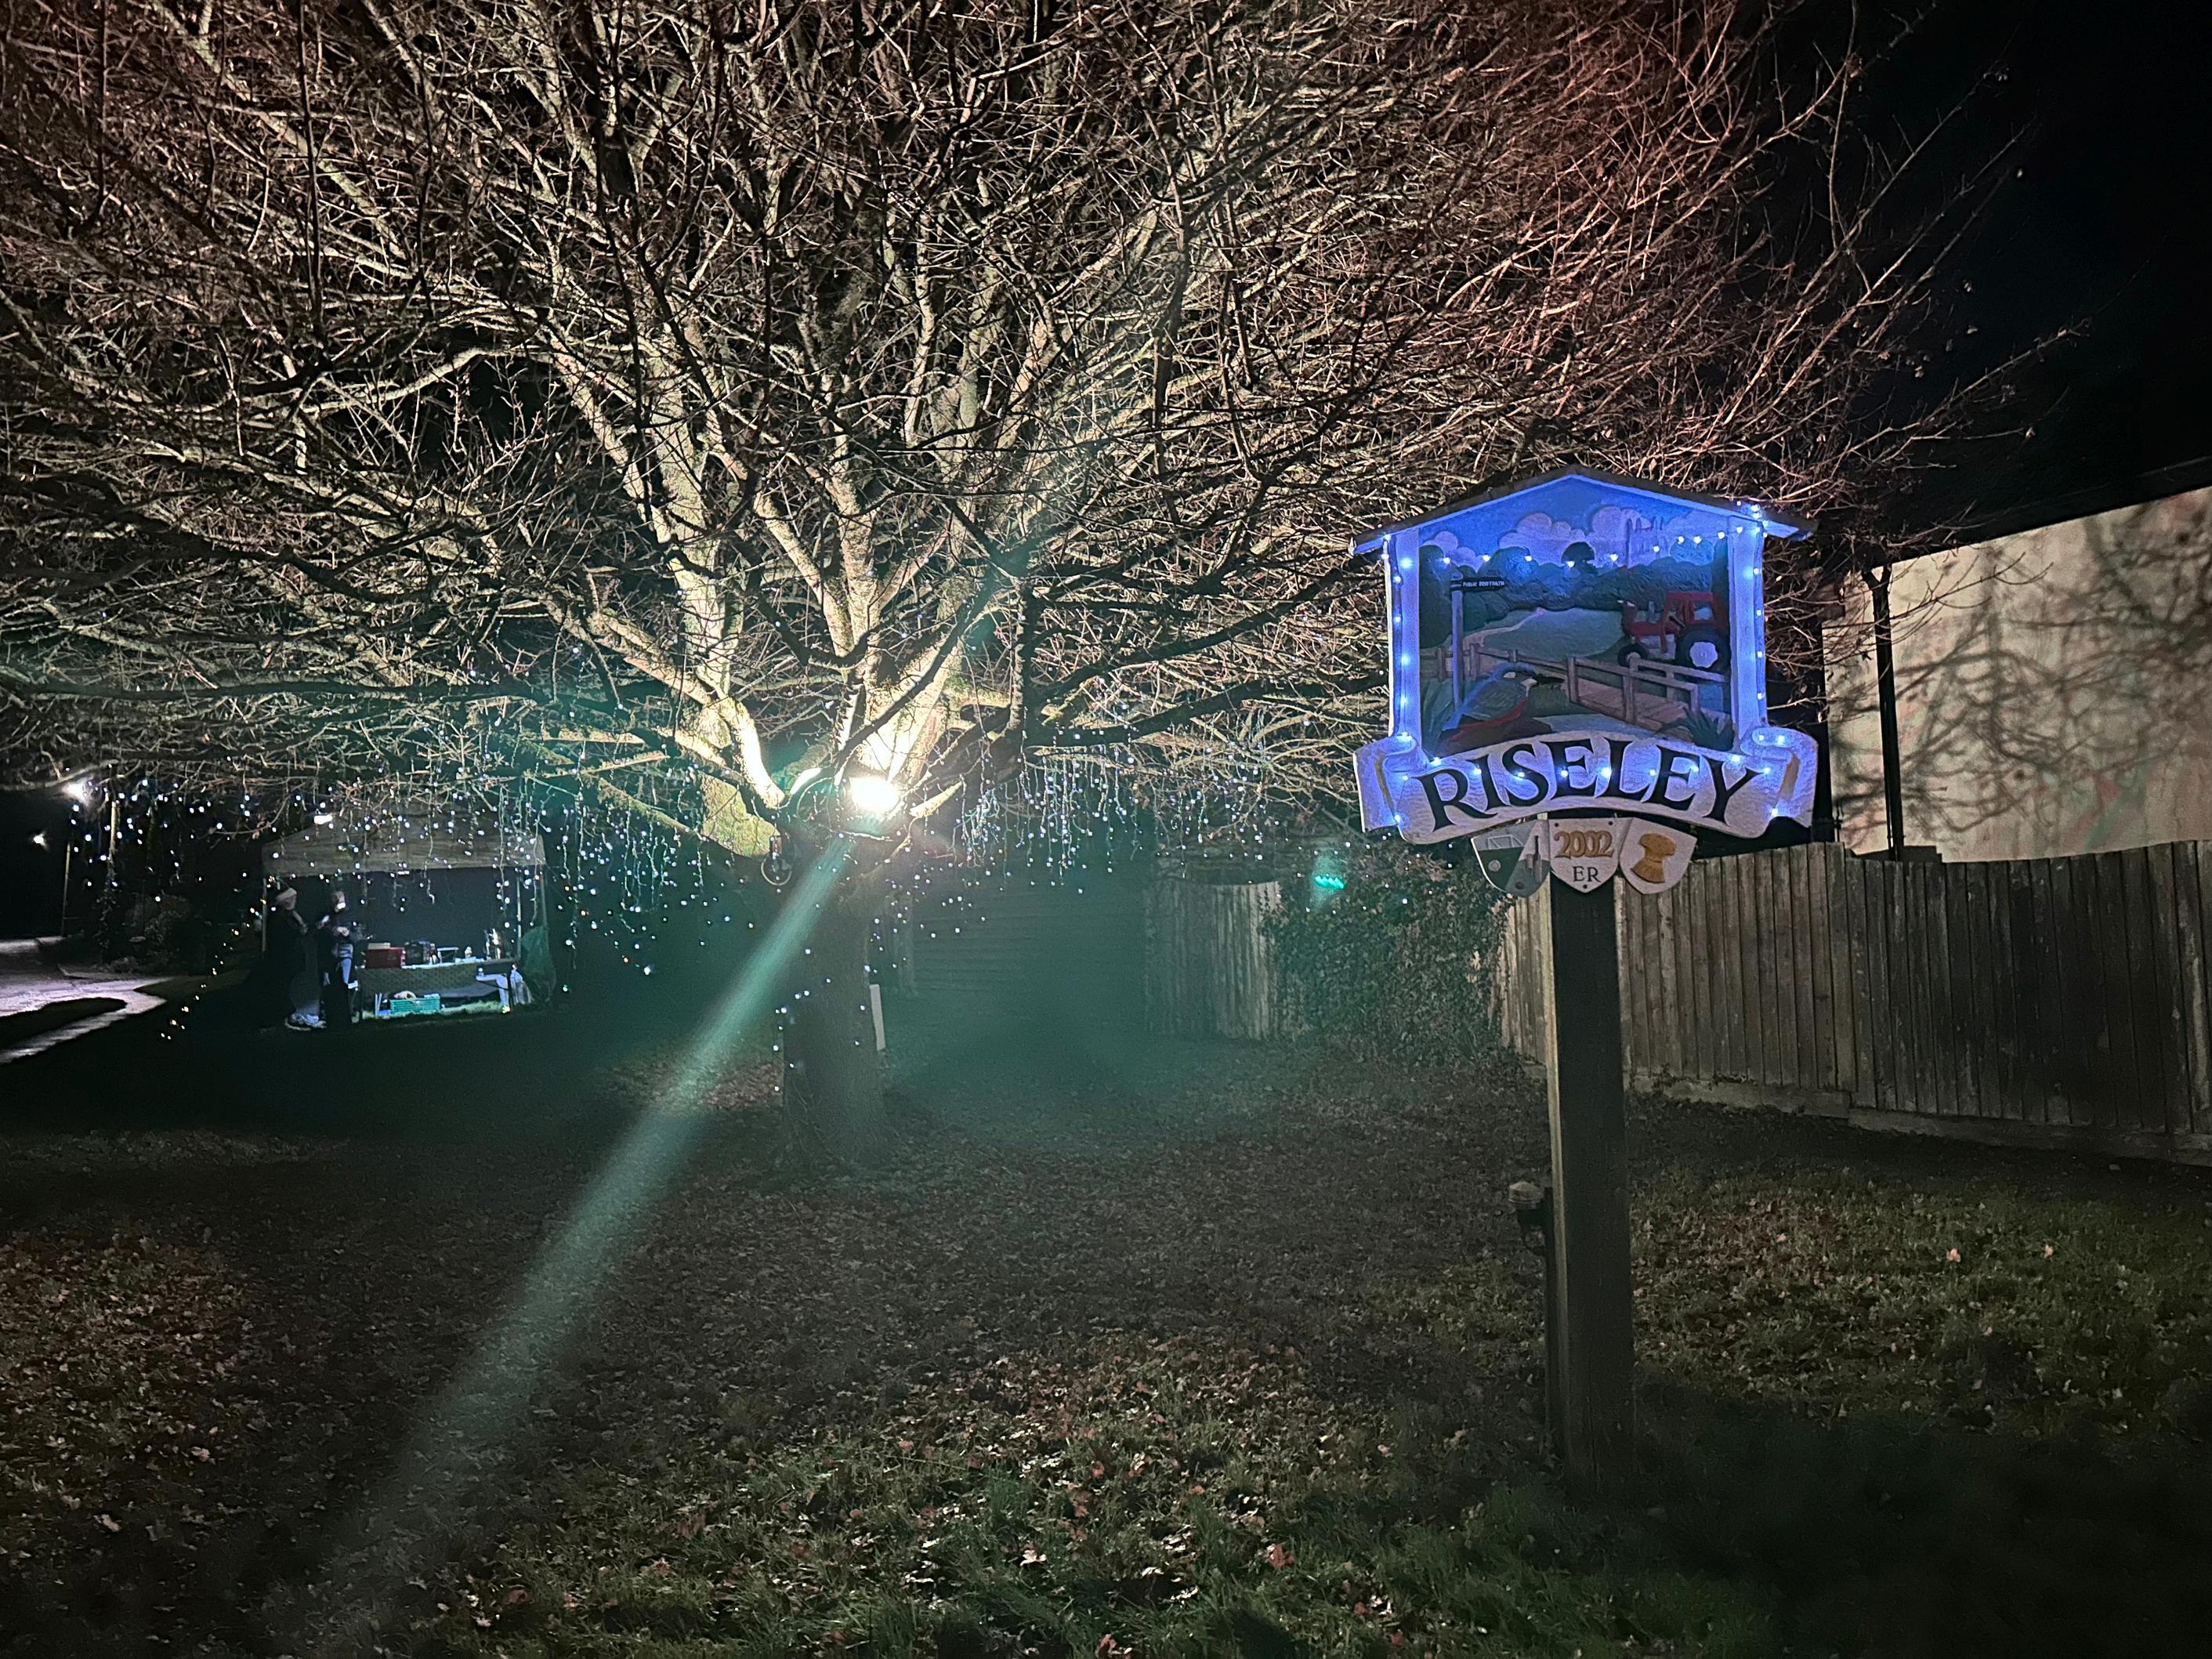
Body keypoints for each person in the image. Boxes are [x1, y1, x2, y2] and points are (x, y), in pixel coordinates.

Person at [257, 887, 310, 1027]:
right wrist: (299, 931)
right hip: (284, 959)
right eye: (292, 898)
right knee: (282, 989)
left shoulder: (290, 915)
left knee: (287, 988)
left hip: (290, 959)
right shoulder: (280, 918)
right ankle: (283, 1018)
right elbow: (285, 936)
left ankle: (286, 1016)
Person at [316, 890, 360, 1029]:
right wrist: (332, 930)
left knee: (344, 982)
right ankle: (327, 1012)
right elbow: (318, 929)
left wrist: (347, 933)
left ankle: (344, 1012)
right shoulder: (326, 915)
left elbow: (357, 936)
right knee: (327, 982)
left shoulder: (349, 916)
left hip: (345, 950)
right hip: (329, 952)